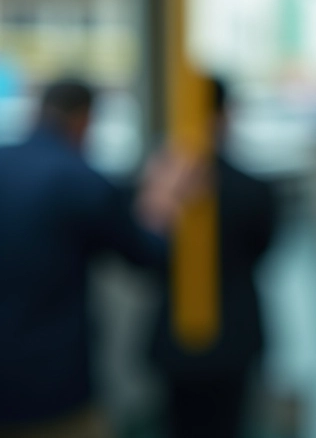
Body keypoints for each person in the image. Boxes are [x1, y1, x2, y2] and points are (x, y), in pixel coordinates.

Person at [0, 79, 181, 438]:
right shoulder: (81, 180)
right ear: (85, 120)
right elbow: (147, 255)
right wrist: (161, 207)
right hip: (53, 389)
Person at [150, 79, 278, 438]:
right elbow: (262, 249)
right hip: (236, 332)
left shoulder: (156, 187)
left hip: (175, 335)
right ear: (224, 115)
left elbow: (144, 252)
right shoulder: (252, 189)